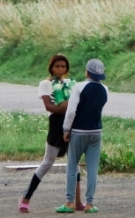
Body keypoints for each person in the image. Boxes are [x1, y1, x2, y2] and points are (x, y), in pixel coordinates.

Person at [20, 55, 83, 213]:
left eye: (63, 66)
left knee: (74, 163)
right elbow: (49, 106)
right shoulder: (45, 84)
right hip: (56, 125)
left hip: (72, 124)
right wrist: (65, 106)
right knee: (48, 162)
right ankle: (26, 198)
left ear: (67, 68)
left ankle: (78, 201)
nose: (60, 69)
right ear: (52, 68)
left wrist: (66, 104)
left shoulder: (72, 83)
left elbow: (78, 102)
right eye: (57, 66)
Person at [58, 59, 108, 214]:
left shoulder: (79, 87)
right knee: (93, 168)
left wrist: (66, 129)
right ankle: (90, 204)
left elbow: (71, 111)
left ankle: (69, 202)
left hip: (79, 131)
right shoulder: (105, 89)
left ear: (87, 72)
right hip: (96, 132)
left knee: (72, 165)